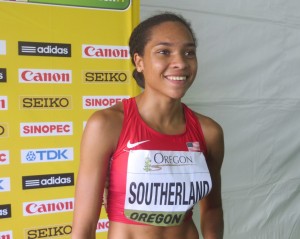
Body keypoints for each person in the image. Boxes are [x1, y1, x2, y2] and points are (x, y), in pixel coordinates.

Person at [72, 12, 224, 239]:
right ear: (139, 62)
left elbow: (211, 209)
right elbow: (84, 226)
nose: (181, 62)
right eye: (164, 52)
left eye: (189, 52)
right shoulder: (107, 124)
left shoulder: (209, 132)